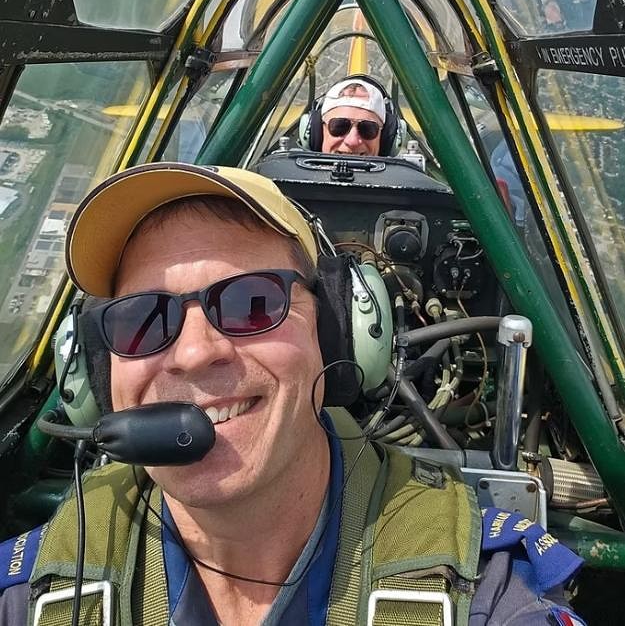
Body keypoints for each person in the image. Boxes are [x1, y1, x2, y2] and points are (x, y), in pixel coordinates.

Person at [0, 162, 586, 625]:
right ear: (103, 367)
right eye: (141, 320)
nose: (194, 352)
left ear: (338, 334)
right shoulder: (35, 591)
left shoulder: (483, 593)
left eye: (252, 303)